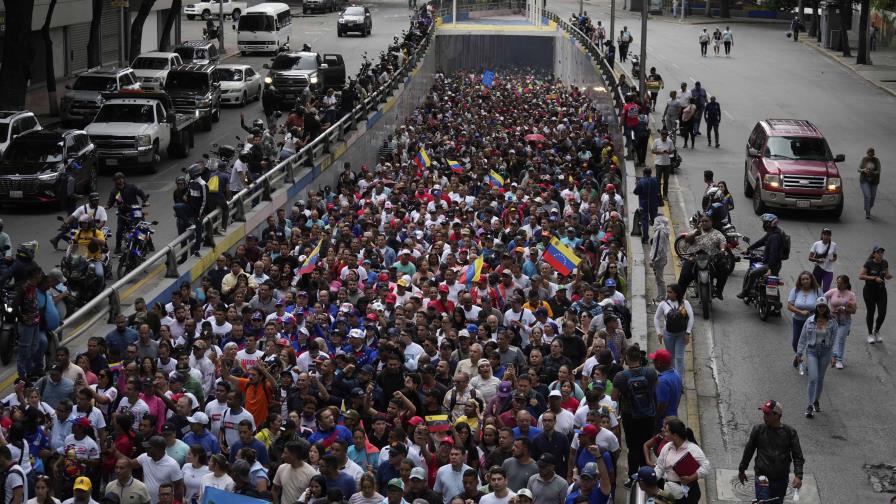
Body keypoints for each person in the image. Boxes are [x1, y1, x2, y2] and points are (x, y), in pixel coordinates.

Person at [738, 400, 804, 503]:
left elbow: (797, 456)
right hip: (762, 477)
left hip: (781, 479)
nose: (765, 416)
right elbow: (748, 451)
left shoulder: (789, 432)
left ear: (777, 415)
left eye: (768, 414)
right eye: (764, 413)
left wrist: (798, 476)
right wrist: (742, 470)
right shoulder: (758, 430)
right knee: (764, 501)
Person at [612, 346, 657, 488]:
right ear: (640, 357)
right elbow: (654, 391)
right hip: (648, 416)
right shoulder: (650, 373)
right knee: (646, 446)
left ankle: (632, 477)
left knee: (633, 448)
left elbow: (614, 397)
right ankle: (646, 476)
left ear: (626, 358)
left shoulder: (620, 376)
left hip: (630, 416)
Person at [795, 297, 838, 418]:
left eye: (823, 306)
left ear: (826, 308)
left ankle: (816, 401)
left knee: (820, 378)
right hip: (812, 351)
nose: (821, 308)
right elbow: (803, 337)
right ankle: (809, 405)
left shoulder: (832, 322)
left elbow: (835, 340)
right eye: (819, 306)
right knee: (813, 378)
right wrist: (798, 353)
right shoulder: (809, 321)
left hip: (825, 352)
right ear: (816, 308)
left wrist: (835, 356)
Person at [678, 213, 728, 300]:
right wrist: (694, 234)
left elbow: (722, 242)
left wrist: (722, 250)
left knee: (725, 268)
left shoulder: (717, 233)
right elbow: (687, 239)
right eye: (702, 221)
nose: (704, 223)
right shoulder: (695, 231)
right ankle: (678, 300)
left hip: (711, 258)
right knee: (684, 276)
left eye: (706, 221)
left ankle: (718, 291)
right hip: (693, 258)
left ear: (711, 222)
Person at [738, 213, 785, 299]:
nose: (763, 225)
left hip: (771, 265)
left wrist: (770, 268)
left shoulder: (774, 236)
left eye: (764, 223)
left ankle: (746, 292)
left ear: (768, 224)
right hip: (775, 264)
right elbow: (761, 242)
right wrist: (748, 249)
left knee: (752, 273)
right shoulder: (773, 233)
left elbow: (773, 254)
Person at [106, 172, 148, 255]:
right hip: (123, 213)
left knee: (143, 227)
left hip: (135, 211)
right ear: (115, 181)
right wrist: (107, 206)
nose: (120, 180)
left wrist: (145, 201)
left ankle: (148, 245)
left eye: (121, 178)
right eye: (118, 179)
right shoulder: (114, 192)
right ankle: (118, 247)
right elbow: (110, 202)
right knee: (119, 230)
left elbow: (141, 193)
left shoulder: (131, 187)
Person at [786, 271, 823, 359]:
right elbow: (789, 306)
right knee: (795, 343)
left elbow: (823, 305)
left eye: (807, 279)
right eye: (803, 279)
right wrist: (800, 312)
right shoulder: (795, 290)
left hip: (813, 321)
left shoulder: (817, 291)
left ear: (811, 280)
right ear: (800, 281)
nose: (805, 281)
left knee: (812, 343)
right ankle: (798, 355)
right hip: (798, 320)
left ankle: (811, 361)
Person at [858, 245, 891, 344]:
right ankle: (870, 334)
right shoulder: (869, 263)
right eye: (878, 252)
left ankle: (876, 331)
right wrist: (874, 278)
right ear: (874, 254)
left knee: (882, 312)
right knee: (871, 312)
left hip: (881, 291)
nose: (880, 254)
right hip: (869, 291)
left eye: (882, 252)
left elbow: (887, 275)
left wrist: (889, 276)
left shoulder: (885, 262)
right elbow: (861, 276)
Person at [825, 275, 857, 369]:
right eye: (837, 282)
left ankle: (839, 359)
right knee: (830, 338)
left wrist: (844, 309)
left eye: (841, 283)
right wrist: (827, 311)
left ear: (846, 284)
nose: (838, 284)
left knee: (840, 339)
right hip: (832, 320)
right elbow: (821, 300)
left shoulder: (851, 295)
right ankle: (830, 356)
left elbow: (854, 310)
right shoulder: (833, 291)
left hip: (845, 321)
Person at [185, 164, 208, 258]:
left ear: (193, 173)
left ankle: (196, 250)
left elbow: (204, 201)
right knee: (178, 208)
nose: (188, 175)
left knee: (198, 232)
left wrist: (200, 214)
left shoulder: (203, 184)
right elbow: (189, 196)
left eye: (189, 173)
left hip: (199, 212)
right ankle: (189, 222)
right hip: (191, 209)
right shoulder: (191, 182)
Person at [634, 168, 661, 243]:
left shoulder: (641, 182)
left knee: (644, 221)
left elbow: (636, 192)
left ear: (644, 173)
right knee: (655, 220)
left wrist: (637, 184)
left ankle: (645, 238)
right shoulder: (655, 180)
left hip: (644, 204)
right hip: (654, 204)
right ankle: (657, 237)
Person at [649, 216, 671, 302]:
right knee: (659, 277)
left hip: (658, 259)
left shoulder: (659, 232)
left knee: (659, 278)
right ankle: (661, 295)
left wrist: (653, 260)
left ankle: (661, 296)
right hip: (662, 257)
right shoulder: (665, 231)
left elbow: (657, 247)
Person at [651, 129, 675, 201]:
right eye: (663, 137)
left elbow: (673, 150)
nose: (664, 138)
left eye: (665, 137)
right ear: (661, 135)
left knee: (666, 180)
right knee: (658, 180)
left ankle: (665, 195)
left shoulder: (670, 142)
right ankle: (658, 194)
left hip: (667, 164)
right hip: (659, 163)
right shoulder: (656, 141)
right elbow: (652, 151)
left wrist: (669, 152)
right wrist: (660, 152)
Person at [859, 147, 881, 219]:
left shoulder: (876, 160)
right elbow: (858, 169)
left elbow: (879, 170)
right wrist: (864, 170)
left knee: (872, 197)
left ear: (873, 155)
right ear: (867, 154)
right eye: (869, 154)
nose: (870, 156)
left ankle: (869, 207)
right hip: (864, 180)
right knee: (868, 195)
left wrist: (873, 172)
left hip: (874, 181)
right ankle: (867, 212)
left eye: (871, 155)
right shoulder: (864, 159)